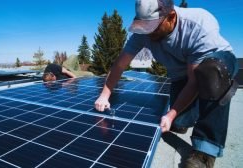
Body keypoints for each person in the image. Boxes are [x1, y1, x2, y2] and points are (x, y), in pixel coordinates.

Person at [94, 0, 238, 167]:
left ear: (170, 17)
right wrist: (105, 95)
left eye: (153, 27)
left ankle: (205, 152)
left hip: (216, 64)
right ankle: (188, 116)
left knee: (211, 74)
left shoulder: (199, 24)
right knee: (179, 121)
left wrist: (170, 114)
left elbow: (194, 82)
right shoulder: (143, 32)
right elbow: (120, 64)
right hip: (181, 73)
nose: (149, 33)